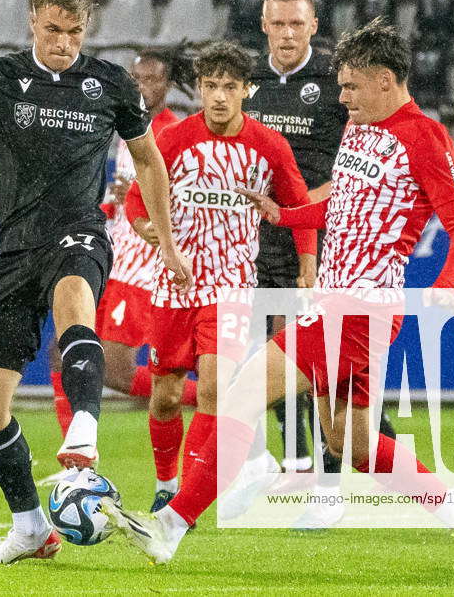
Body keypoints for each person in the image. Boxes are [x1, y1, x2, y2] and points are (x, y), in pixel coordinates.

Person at [102, 18, 454, 565]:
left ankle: (170, 526)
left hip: (356, 307)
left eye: (350, 87)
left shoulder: (426, 138)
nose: (341, 97)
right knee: (353, 447)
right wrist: (287, 215)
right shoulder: (360, 128)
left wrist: (445, 286)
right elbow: (342, 206)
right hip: (348, 307)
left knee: (242, 395)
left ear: (385, 80)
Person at [0, 0, 191, 565]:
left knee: (75, 294)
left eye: (75, 31)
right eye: (53, 29)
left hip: (77, 228)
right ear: (33, 20)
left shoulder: (110, 84)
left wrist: (166, 239)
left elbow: (149, 161)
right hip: (10, 248)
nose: (63, 41)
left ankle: (83, 431)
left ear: (88, 28)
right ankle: (31, 527)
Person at [122, 41, 315, 513]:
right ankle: (167, 483)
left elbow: (301, 208)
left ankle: (184, 501)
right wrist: (146, 227)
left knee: (212, 390)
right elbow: (135, 199)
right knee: (165, 396)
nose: (220, 97)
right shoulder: (173, 140)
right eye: (211, 86)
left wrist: (307, 267)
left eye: (230, 87)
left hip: (230, 290)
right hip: (173, 285)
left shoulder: (269, 146)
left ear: (247, 90)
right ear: (200, 89)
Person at [245, 0, 398, 528]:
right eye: (277, 24)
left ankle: (329, 485)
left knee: (322, 363)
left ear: (314, 27)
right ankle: (309, 463)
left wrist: (305, 202)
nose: (287, 34)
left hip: (330, 240)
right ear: (263, 26)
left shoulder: (338, 83)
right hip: (259, 241)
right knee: (280, 358)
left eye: (297, 24)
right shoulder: (249, 82)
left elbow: (365, 160)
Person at [42, 48, 198, 482]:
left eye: (151, 79)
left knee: (115, 371)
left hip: (144, 269)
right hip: (115, 260)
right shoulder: (127, 130)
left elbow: (181, 203)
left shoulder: (171, 133)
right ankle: (76, 464)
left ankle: (214, 397)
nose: (142, 87)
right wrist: (112, 203)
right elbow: (124, 202)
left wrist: (143, 196)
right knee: (61, 352)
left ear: (167, 86)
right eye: (135, 78)